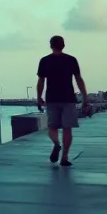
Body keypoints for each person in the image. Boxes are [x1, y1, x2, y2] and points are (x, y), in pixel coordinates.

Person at [36, 35, 90, 166]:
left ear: (51, 45)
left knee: (52, 126)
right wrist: (85, 97)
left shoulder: (45, 60)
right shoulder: (71, 60)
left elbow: (41, 81)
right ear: (63, 45)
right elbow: (78, 79)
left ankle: (56, 143)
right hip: (68, 99)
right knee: (67, 128)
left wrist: (39, 97)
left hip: (52, 98)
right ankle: (64, 157)